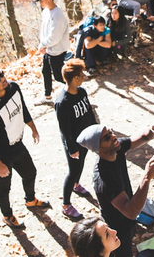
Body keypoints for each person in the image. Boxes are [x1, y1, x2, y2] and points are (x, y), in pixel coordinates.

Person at [0, 66, 50, 230]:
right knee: (4, 187)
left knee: (30, 173)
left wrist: (33, 128)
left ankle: (31, 200)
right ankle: (7, 215)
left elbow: (23, 109)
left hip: (17, 145)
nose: (2, 79)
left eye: (1, 74)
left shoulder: (13, 88)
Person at [77, 122, 154, 257]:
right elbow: (130, 211)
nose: (114, 137)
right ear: (98, 148)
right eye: (107, 138)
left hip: (128, 222)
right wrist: (146, 177)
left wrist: (151, 130)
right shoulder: (104, 178)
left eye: (111, 132)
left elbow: (142, 137)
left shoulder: (115, 147)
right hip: (117, 227)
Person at [54, 59, 98, 220]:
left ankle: (75, 185)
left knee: (81, 165)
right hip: (73, 143)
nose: (84, 76)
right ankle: (66, 204)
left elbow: (89, 113)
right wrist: (72, 149)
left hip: (86, 138)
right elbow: (65, 130)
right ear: (75, 78)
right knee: (73, 171)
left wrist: (95, 130)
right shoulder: (62, 102)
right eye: (81, 74)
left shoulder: (82, 92)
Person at [35, 0, 72, 105]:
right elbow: (44, 30)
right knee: (45, 71)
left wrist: (43, 44)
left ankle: (76, 90)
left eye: (41, 1)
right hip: (48, 49)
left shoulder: (58, 15)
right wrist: (43, 45)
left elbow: (55, 37)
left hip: (57, 50)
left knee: (58, 76)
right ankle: (47, 96)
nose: (40, 4)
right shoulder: (46, 12)